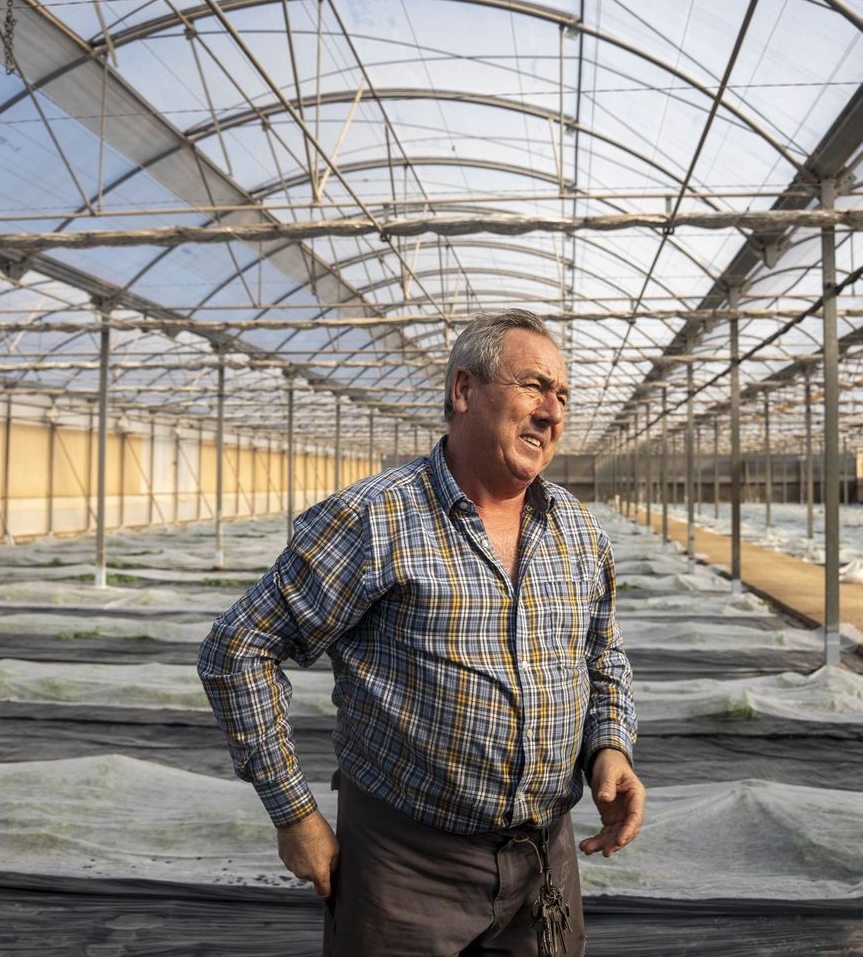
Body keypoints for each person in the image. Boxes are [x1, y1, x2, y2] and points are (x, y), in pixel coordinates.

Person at [198, 309, 642, 957]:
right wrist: (294, 813)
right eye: (533, 385)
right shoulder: (375, 519)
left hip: (545, 857)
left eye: (563, 395)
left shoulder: (578, 531)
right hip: (404, 868)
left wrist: (610, 748)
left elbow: (603, 656)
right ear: (464, 391)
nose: (552, 410)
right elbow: (238, 649)